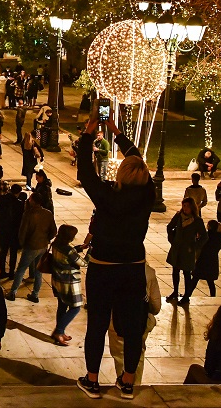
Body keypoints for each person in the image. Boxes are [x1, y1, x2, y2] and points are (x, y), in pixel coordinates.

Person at [76, 112, 154, 401]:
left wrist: (89, 134)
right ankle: (128, 382)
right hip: (132, 266)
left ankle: (93, 380)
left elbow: (85, 172)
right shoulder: (147, 195)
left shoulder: (106, 196)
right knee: (132, 326)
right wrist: (117, 133)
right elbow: (138, 161)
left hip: (103, 266)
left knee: (97, 323)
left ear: (120, 174)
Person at [5, 193, 56, 303]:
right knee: (39, 271)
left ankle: (13, 292)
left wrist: (22, 243)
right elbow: (54, 231)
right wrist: (47, 239)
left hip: (31, 245)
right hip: (43, 245)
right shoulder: (48, 213)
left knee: (21, 269)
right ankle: (35, 294)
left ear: (32, 200)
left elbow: (22, 232)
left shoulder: (28, 214)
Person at [49, 225, 87, 345]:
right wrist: (90, 252)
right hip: (69, 283)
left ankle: (60, 331)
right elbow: (83, 263)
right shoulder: (68, 250)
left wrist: (79, 248)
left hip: (57, 281)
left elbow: (68, 254)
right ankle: (58, 331)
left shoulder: (56, 244)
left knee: (62, 305)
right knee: (75, 307)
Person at [165, 196, 207, 305]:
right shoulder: (179, 216)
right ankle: (175, 291)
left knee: (187, 273)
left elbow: (204, 236)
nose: (185, 208)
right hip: (177, 248)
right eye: (184, 206)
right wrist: (172, 240)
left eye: (187, 206)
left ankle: (187, 296)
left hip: (187, 250)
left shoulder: (197, 220)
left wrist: (195, 247)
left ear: (192, 207)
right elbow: (170, 227)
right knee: (175, 270)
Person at [184, 220, 221, 301]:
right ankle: (213, 297)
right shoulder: (219, 237)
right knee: (210, 281)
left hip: (203, 260)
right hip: (212, 261)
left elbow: (199, 245)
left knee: (195, 279)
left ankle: (187, 295)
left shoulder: (207, 235)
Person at [0, 185, 25, 279]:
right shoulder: (19, 203)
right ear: (18, 193)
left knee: (3, 251)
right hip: (14, 231)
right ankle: (11, 272)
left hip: (3, 229)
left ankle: (2, 272)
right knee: (13, 252)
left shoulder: (1, 199)